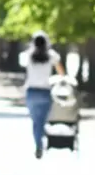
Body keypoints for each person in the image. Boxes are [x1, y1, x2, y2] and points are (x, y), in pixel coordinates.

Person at [22, 31, 65, 159]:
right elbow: (61, 71)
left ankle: (38, 143)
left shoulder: (28, 55)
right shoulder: (51, 55)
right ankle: (40, 140)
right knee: (42, 120)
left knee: (35, 121)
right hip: (45, 92)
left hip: (31, 92)